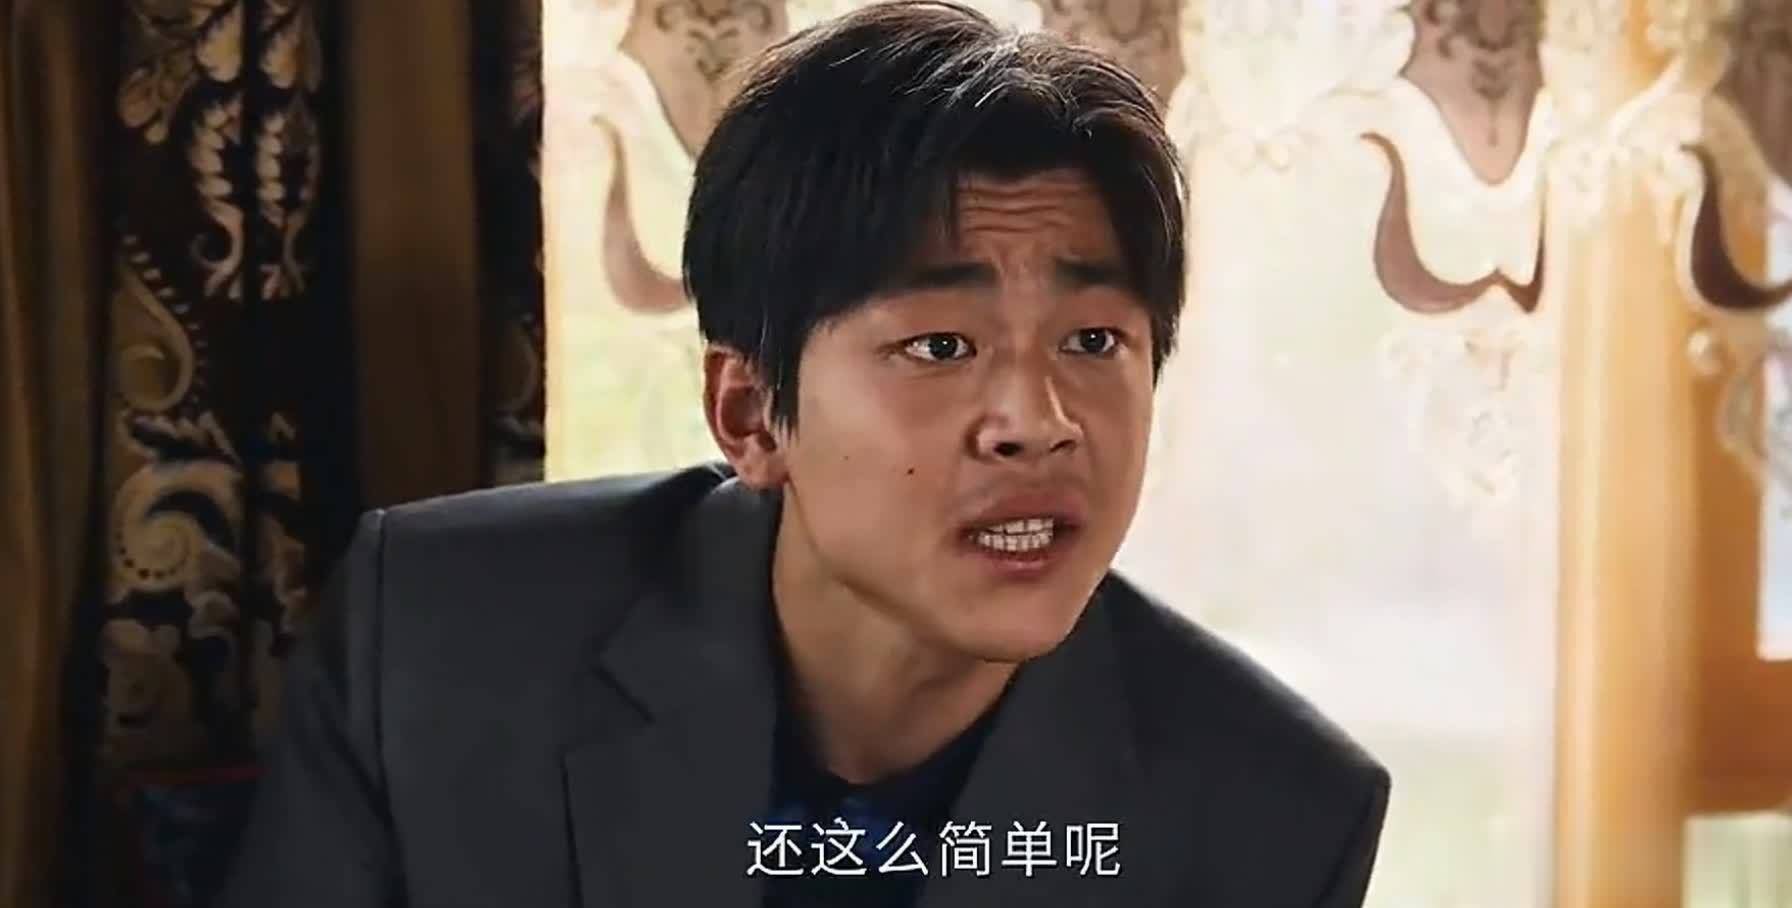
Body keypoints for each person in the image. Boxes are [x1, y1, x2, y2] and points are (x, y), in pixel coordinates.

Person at [216, 2, 1390, 906]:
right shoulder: (439, 639)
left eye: (1093, 340)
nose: (1037, 419)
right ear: (749, 413)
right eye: (940, 343)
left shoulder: (1269, 816)